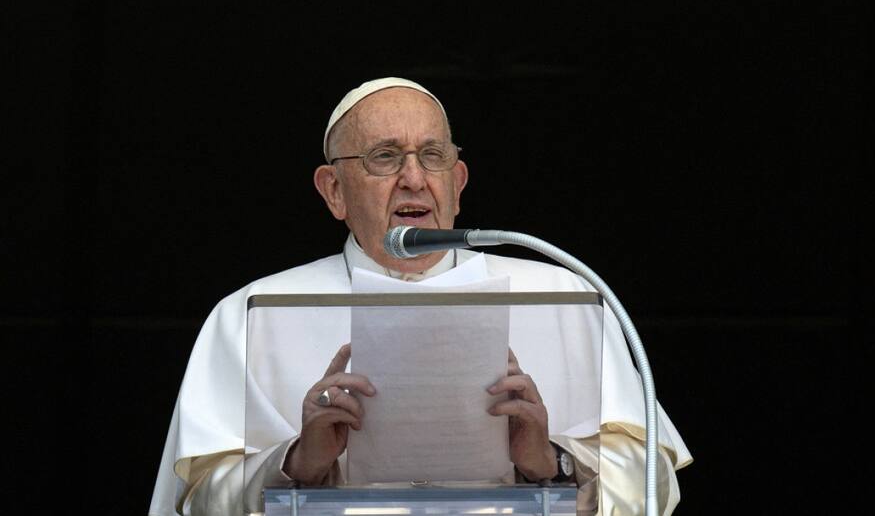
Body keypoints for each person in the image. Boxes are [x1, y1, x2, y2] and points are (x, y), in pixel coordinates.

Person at [148, 77, 692, 516]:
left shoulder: (561, 294)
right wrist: (296, 463)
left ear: (456, 180)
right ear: (333, 190)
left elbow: (652, 485)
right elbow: (196, 501)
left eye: (431, 157)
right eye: (384, 157)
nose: (413, 178)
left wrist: (552, 460)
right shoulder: (251, 313)